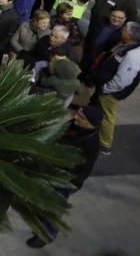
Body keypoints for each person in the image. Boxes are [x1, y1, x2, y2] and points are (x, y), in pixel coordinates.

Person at [24, 106, 104, 248]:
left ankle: (47, 235)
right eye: (78, 113)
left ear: (91, 124)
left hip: (62, 181)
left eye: (81, 117)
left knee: (53, 211)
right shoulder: (74, 126)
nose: (76, 117)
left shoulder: (90, 143)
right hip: (49, 173)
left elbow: (83, 170)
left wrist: (70, 185)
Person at [86, 21, 140, 154]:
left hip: (111, 91)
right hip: (106, 85)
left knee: (107, 116)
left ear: (131, 36)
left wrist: (105, 88)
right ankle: (91, 130)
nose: (122, 30)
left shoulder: (133, 56)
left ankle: (104, 144)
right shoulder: (131, 45)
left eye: (125, 30)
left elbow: (122, 80)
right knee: (98, 108)